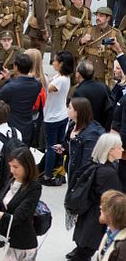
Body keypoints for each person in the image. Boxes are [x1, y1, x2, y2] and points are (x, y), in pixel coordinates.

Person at [63, 133, 122, 261]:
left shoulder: (96, 166)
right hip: (97, 219)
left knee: (83, 251)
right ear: (110, 151)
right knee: (85, 252)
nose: (121, 150)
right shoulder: (108, 173)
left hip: (90, 215)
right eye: (119, 147)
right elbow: (111, 199)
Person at [0, 53, 42, 144]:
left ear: (16, 67)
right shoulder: (37, 84)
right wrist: (9, 78)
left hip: (12, 126)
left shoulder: (11, 87)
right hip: (27, 125)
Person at [42, 51, 74, 184]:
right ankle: (58, 171)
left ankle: (48, 174)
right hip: (61, 115)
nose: (53, 62)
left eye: (55, 60)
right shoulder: (61, 77)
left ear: (61, 64)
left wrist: (40, 72)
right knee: (59, 146)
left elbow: (47, 87)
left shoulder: (61, 80)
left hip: (53, 117)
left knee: (51, 147)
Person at [63, 97, 106, 188]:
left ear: (77, 112)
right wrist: (64, 149)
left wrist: (79, 182)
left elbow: (87, 163)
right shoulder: (73, 125)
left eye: (70, 108)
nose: (67, 109)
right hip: (72, 172)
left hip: (80, 179)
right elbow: (74, 149)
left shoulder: (91, 135)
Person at [73, 60, 115, 131]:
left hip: (87, 131)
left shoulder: (79, 92)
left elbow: (77, 115)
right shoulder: (103, 87)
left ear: (78, 74)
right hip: (103, 129)